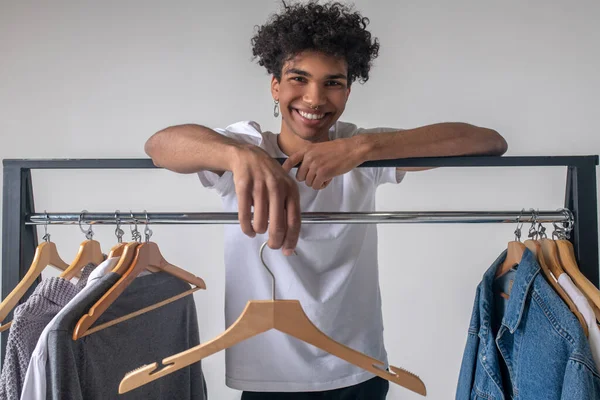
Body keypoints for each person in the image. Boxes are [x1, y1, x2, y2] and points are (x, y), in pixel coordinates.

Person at [145, 1, 507, 398]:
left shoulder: (363, 149)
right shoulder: (244, 146)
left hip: (358, 369)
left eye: (332, 83)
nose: (315, 98)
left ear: (348, 91)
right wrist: (241, 157)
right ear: (275, 86)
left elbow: (488, 141)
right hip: (268, 372)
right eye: (299, 79)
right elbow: (160, 145)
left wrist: (364, 147)